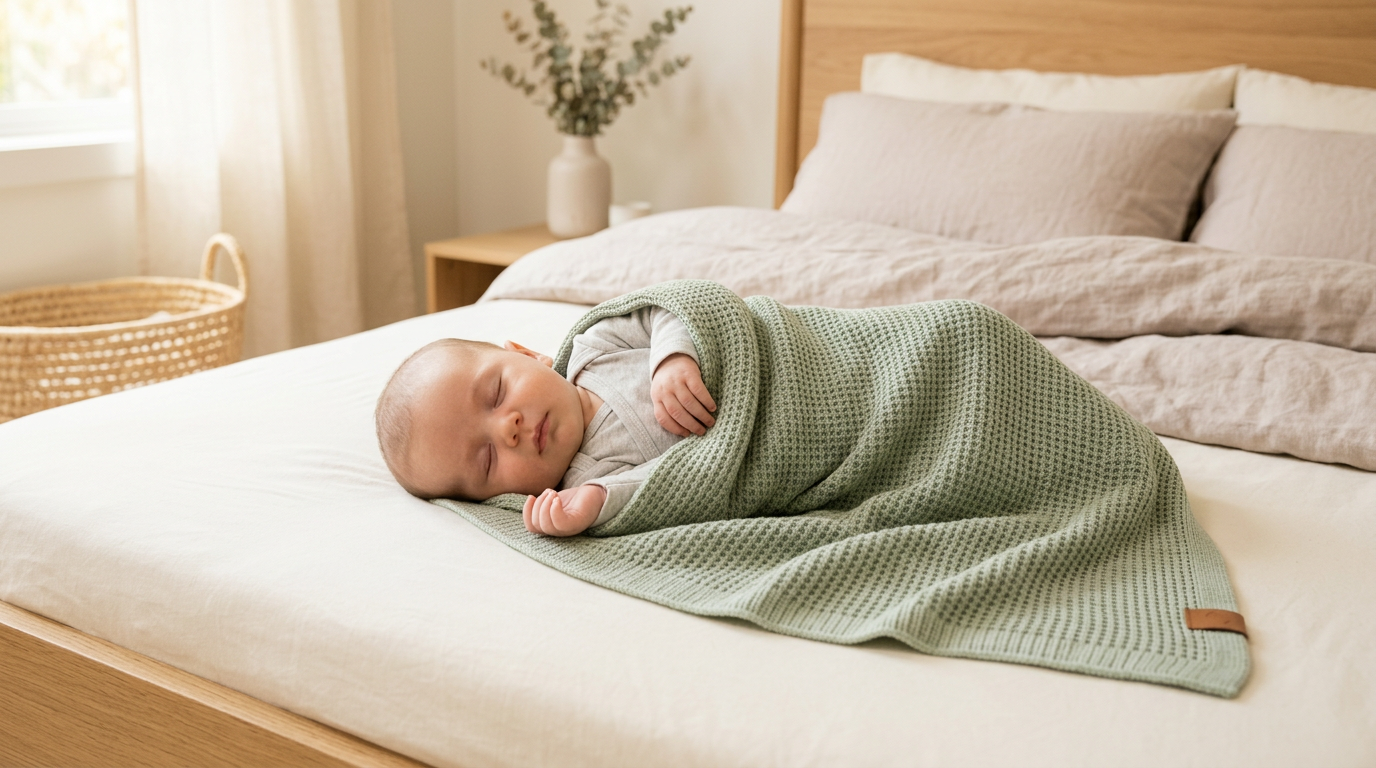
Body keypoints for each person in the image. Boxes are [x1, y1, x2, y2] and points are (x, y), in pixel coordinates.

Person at [375, 307, 714, 537]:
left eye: (496, 393)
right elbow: (669, 494)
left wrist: (672, 358)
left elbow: (666, 308)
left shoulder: (596, 348)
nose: (508, 430)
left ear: (527, 355)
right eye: (488, 459)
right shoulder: (588, 483)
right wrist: (597, 503)